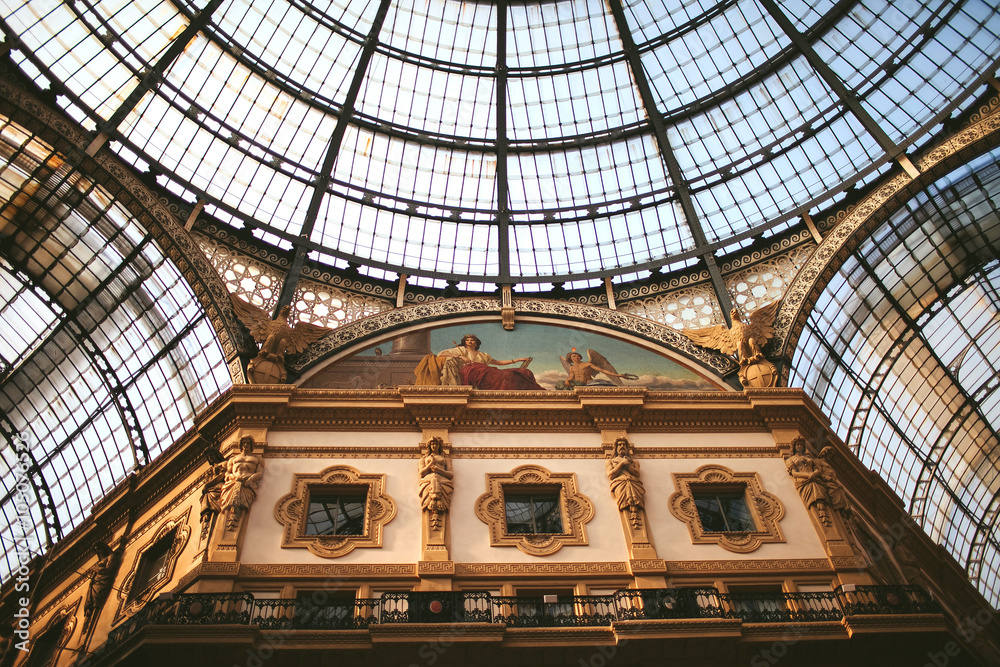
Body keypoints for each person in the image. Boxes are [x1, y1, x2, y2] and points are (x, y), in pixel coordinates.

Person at [427, 334, 544, 390]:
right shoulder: (461, 350)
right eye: (467, 340)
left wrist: (517, 360)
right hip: (472, 373)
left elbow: (498, 363)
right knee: (506, 375)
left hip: (486, 371)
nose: (469, 342)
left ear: (476, 342)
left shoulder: (483, 355)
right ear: (464, 342)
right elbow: (441, 354)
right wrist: (460, 356)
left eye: (472, 340)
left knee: (517, 373)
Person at [221, 435, 264, 530]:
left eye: (248, 443)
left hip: (247, 484)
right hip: (234, 482)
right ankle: (232, 518)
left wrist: (250, 479)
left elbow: (259, 473)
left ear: (251, 445)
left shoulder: (257, 459)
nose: (246, 445)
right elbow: (228, 472)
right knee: (231, 504)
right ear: (241, 445)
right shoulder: (233, 459)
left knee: (242, 504)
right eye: (244, 443)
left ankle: (235, 518)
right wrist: (233, 477)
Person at [606, 438, 645, 526]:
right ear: (616, 448)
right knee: (625, 502)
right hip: (620, 483)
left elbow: (637, 473)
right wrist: (621, 464)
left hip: (634, 483)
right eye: (619, 445)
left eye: (624, 445)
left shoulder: (634, 461)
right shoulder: (611, 461)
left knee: (636, 501)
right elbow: (611, 475)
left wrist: (627, 465)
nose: (622, 446)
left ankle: (636, 517)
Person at [418, 437, 454, 529]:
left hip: (443, 483)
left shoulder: (445, 458)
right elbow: (421, 473)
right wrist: (430, 464)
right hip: (428, 483)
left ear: (439, 445)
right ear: (429, 446)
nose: (434, 446)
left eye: (436, 444)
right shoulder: (424, 458)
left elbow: (450, 475)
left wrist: (439, 470)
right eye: (432, 444)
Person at [557, 349, 634, 389]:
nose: (577, 357)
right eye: (574, 356)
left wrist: (618, 375)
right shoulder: (572, 368)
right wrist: (567, 380)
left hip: (589, 384)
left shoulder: (587, 364)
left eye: (578, 356)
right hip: (578, 385)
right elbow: (571, 377)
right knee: (559, 384)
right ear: (570, 358)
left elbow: (602, 370)